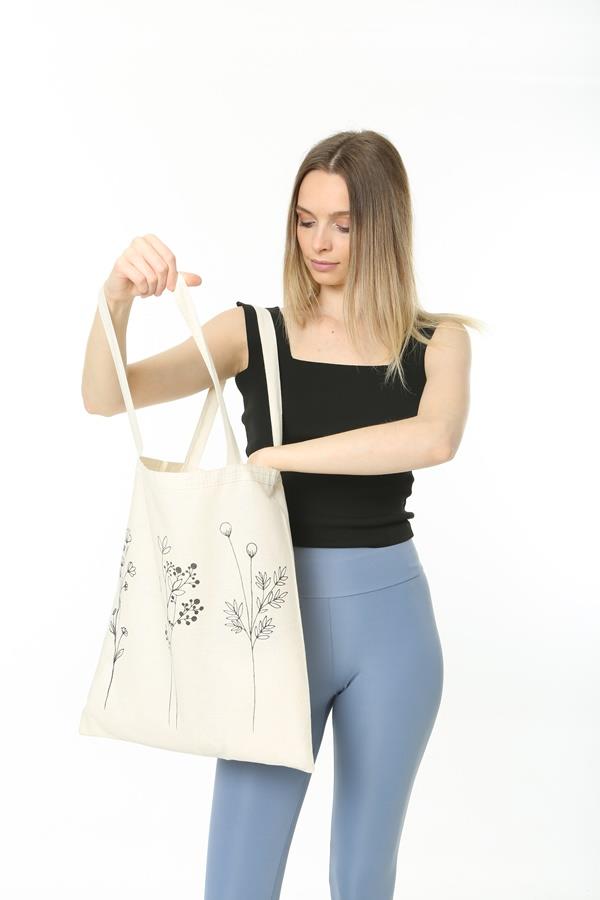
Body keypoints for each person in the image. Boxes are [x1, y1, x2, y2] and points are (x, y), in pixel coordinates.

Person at [81, 129, 480, 900]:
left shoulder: (438, 343)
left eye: (343, 224)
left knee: (363, 879)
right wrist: (116, 296)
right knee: (237, 883)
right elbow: (105, 396)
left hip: (395, 631)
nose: (318, 243)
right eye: (305, 220)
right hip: (269, 624)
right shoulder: (251, 333)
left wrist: (277, 458)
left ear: (385, 227)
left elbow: (435, 439)